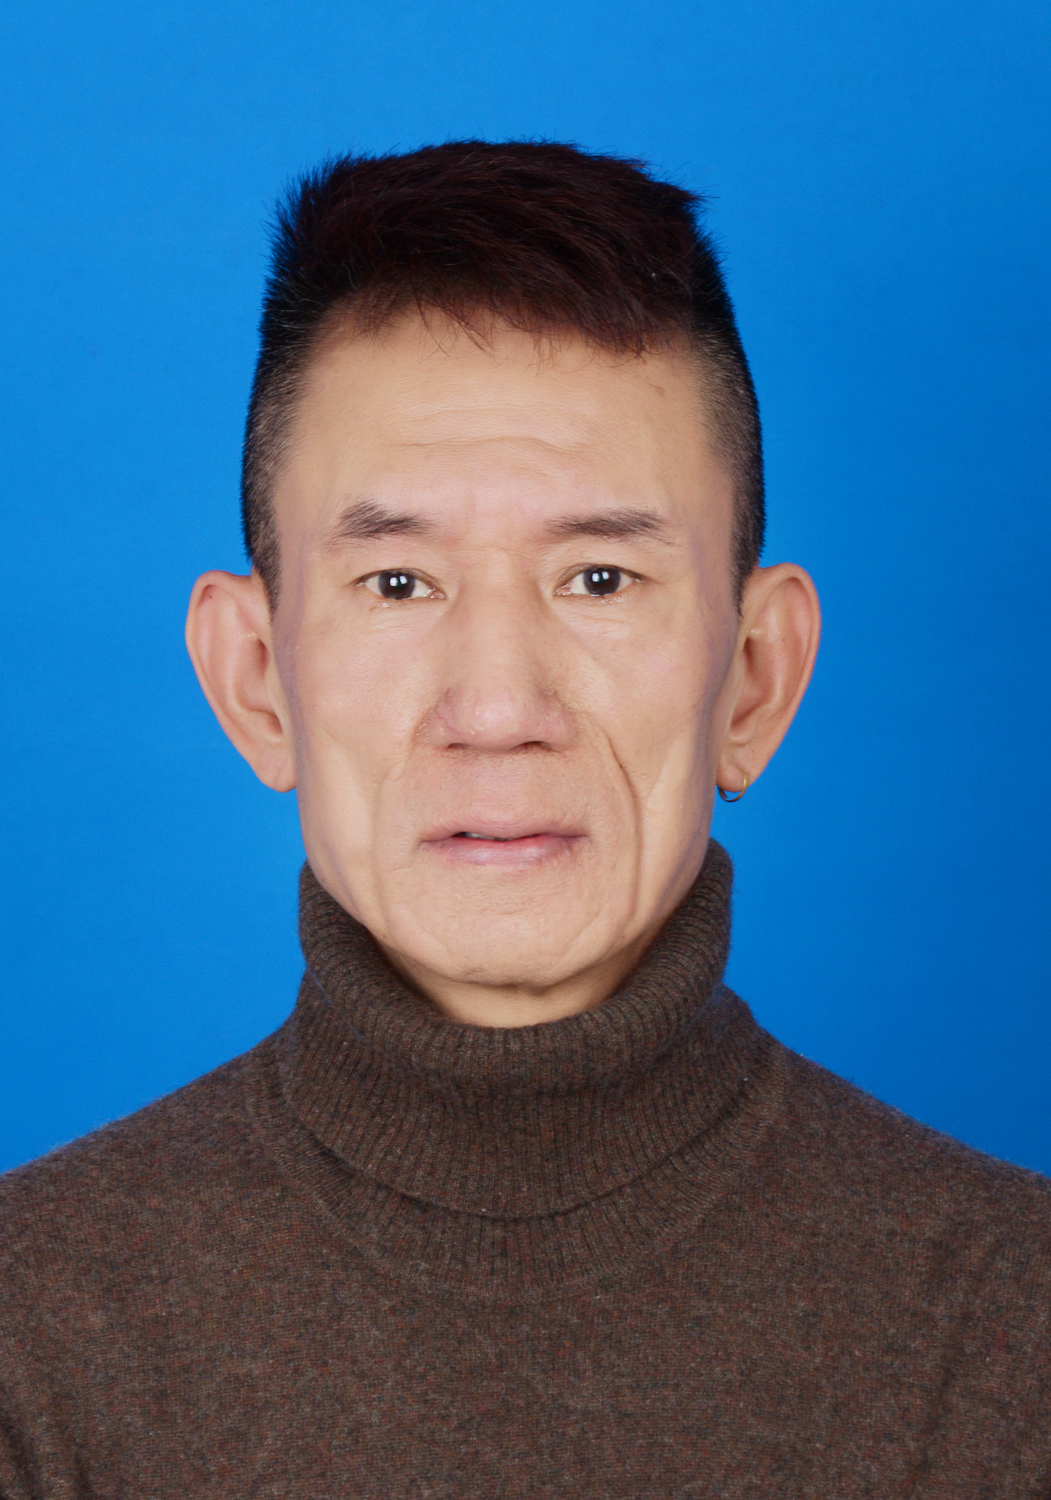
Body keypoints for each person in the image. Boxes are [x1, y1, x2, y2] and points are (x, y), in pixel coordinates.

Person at [1, 141, 1048, 1500]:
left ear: (756, 677)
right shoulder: (29, 1338)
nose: (497, 708)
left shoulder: (1016, 1326)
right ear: (256, 680)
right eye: (397, 583)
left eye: (599, 577)